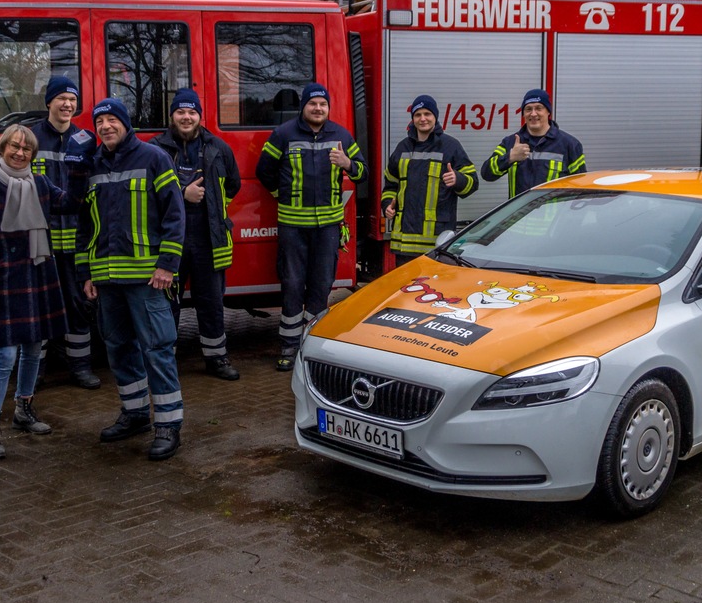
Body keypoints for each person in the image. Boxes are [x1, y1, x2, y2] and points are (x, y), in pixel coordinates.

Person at [77, 98, 186, 460]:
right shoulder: (93, 165)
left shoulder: (154, 157)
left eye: (112, 120)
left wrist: (167, 264)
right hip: (107, 280)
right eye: (100, 122)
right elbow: (85, 225)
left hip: (147, 279)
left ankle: (169, 425)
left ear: (125, 123)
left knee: (157, 349)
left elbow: (175, 213)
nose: (106, 126)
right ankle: (136, 414)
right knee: (118, 349)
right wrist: (87, 273)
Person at [0, 125, 75, 459]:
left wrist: (82, 168)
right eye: (14, 146)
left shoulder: (40, 184)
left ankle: (24, 409)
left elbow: (69, 202)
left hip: (37, 271)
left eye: (26, 149)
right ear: (1, 149)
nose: (20, 153)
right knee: (5, 355)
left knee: (34, 346)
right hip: (1, 278)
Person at [256, 82, 366, 371]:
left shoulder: (341, 135)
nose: (318, 109)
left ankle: (312, 345)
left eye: (323, 104)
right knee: (292, 285)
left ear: (328, 108)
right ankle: (290, 346)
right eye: (313, 104)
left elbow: (363, 172)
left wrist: (348, 164)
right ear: (303, 106)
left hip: (328, 227)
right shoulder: (283, 134)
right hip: (293, 226)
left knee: (321, 286)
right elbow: (263, 170)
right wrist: (283, 196)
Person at [153, 88, 243, 381]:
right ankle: (166, 361)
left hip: (208, 238)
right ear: (172, 116)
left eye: (192, 112)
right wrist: (183, 193)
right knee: (167, 303)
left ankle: (216, 358)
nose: (186, 117)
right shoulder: (155, 149)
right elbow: (148, 193)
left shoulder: (219, 147)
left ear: (199, 117)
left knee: (211, 302)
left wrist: (213, 210)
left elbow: (233, 184)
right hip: (169, 239)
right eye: (181, 112)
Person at [31, 76, 100, 390]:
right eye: (61, 98)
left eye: (72, 100)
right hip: (39, 241)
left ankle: (81, 368)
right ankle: (34, 371)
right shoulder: (30, 138)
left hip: (76, 239)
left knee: (77, 305)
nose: (67, 105)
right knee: (39, 306)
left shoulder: (86, 140)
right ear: (49, 102)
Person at [381, 94, 478, 265]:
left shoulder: (450, 146)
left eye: (427, 114)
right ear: (413, 119)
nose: (423, 119)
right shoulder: (402, 148)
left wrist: (458, 179)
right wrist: (387, 205)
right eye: (418, 115)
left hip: (436, 242)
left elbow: (473, 182)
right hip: (404, 242)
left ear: (435, 117)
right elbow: (390, 184)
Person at [482, 88, 586, 197]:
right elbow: (486, 174)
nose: (533, 114)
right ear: (523, 114)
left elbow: (581, 188)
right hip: (519, 214)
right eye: (528, 109)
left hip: (554, 214)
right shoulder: (511, 142)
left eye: (538, 108)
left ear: (548, 111)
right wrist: (510, 157)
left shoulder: (569, 144)